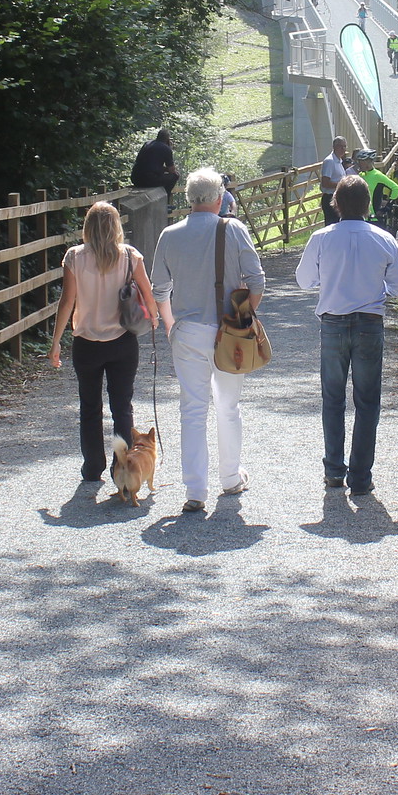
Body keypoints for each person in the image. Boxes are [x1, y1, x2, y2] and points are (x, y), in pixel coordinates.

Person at [151, 169, 267, 512]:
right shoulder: (234, 230)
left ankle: (195, 491)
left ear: (189, 199)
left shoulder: (169, 235)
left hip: (186, 331)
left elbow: (160, 290)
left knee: (192, 410)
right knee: (228, 407)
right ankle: (230, 477)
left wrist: (171, 326)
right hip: (229, 333)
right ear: (219, 199)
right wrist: (243, 318)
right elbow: (257, 282)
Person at [297, 176, 398, 495]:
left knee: (333, 398)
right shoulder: (384, 238)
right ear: (368, 204)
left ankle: (334, 470)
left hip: (333, 322)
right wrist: (377, 293)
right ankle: (361, 476)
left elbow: (304, 280)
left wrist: (327, 283)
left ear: (336, 204)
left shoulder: (321, 238)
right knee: (367, 400)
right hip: (370, 322)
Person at [48, 202, 157, 484]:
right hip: (122, 341)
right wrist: (155, 320)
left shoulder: (74, 257)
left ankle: (93, 466)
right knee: (122, 407)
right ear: (116, 227)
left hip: (86, 343)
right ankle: (122, 466)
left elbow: (67, 301)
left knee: (90, 407)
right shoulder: (131, 256)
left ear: (88, 228)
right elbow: (147, 293)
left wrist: (56, 341)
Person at [127, 129, 179, 257]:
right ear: (167, 139)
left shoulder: (148, 144)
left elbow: (148, 164)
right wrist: (168, 169)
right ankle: (165, 201)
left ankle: (165, 200)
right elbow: (172, 170)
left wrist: (162, 169)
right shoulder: (166, 149)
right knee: (175, 176)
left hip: (135, 177)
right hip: (149, 179)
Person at [318, 136, 350, 226]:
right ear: (334, 147)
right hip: (330, 198)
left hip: (338, 197)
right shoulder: (330, 161)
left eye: (345, 146)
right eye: (340, 146)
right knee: (332, 224)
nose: (343, 149)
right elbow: (325, 183)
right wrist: (343, 185)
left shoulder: (339, 161)